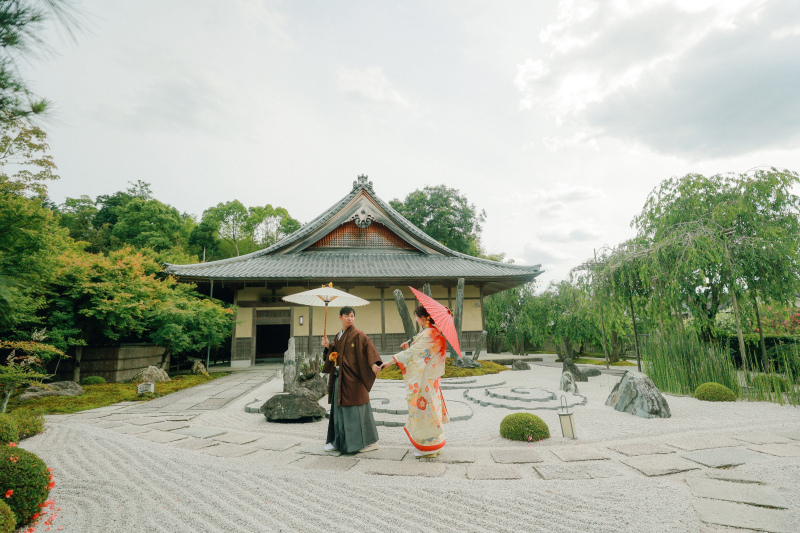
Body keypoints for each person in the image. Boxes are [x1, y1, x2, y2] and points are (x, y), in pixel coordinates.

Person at [380, 305, 449, 457]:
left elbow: (413, 354)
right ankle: (435, 446)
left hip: (425, 381)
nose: (416, 320)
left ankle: (429, 449)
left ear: (423, 318)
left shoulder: (429, 335)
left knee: (426, 413)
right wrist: (407, 349)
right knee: (432, 412)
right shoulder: (433, 333)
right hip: (432, 381)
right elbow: (418, 353)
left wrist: (390, 362)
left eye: (417, 317)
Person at [321, 306, 383, 453]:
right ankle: (338, 442)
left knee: (355, 412)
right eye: (347, 316)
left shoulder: (358, 335)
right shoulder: (338, 336)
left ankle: (365, 443)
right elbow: (337, 352)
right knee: (337, 411)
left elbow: (368, 347)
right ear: (340, 317)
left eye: (352, 316)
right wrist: (328, 346)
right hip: (339, 379)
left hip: (353, 380)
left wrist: (374, 364)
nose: (350, 318)